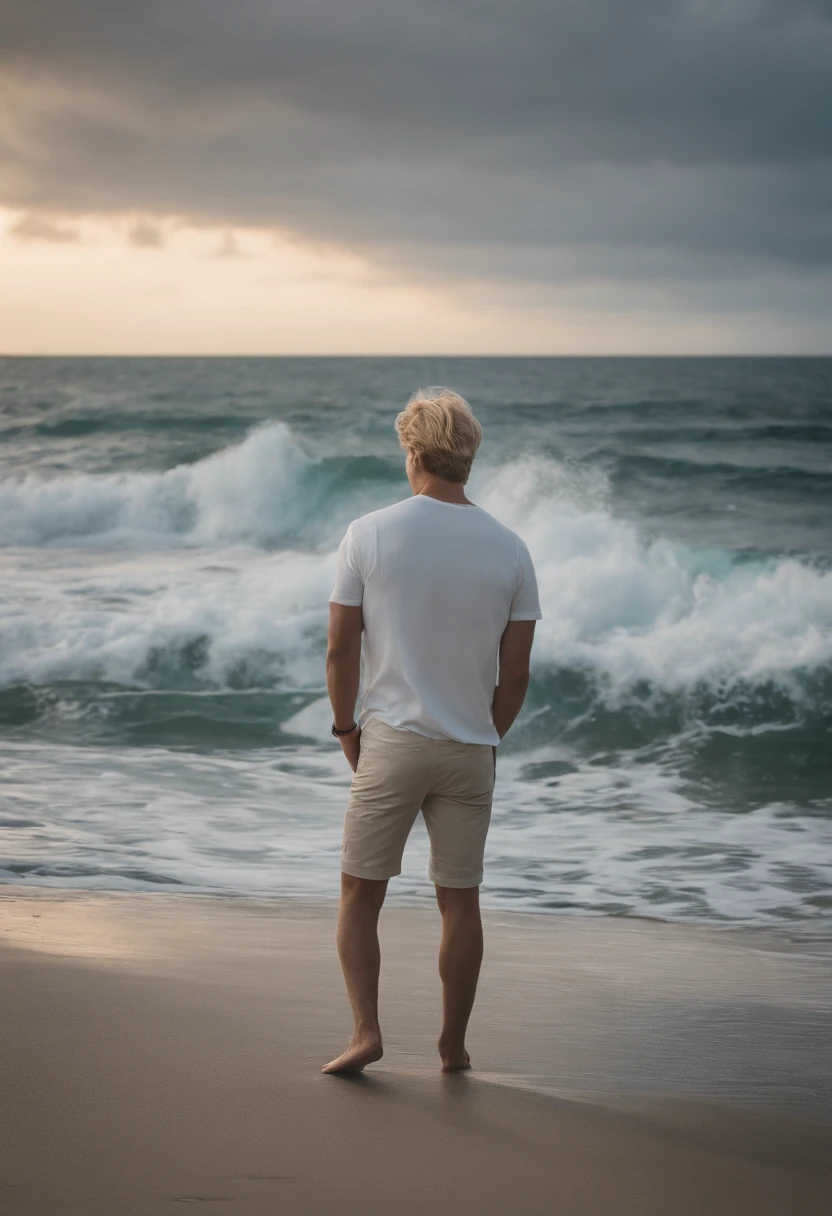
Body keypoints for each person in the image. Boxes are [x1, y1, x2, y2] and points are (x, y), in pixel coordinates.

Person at [322, 387, 541, 1075]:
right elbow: (517, 674)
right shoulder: (511, 548)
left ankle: (366, 1033)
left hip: (392, 741)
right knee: (460, 900)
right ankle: (452, 1045)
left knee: (361, 890)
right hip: (471, 747)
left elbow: (340, 650)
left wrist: (345, 728)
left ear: (413, 453)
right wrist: (486, 733)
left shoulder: (369, 533)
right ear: (467, 457)